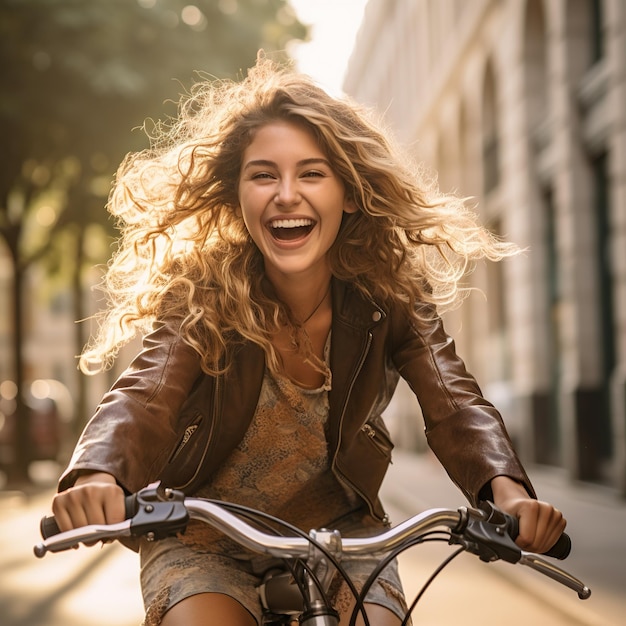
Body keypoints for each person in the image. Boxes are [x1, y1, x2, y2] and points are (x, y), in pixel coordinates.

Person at [51, 55, 566, 626]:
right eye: (264, 174)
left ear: (348, 194)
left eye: (312, 173)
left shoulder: (389, 294)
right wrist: (97, 473)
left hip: (342, 538)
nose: (286, 194)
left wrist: (507, 494)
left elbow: (454, 402)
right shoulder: (202, 292)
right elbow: (145, 392)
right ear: (237, 195)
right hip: (201, 534)